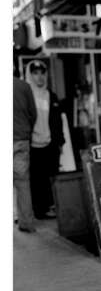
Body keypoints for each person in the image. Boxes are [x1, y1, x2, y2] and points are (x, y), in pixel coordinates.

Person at [25, 60, 64, 219]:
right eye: (35, 73)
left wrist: (60, 141)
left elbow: (58, 121)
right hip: (32, 145)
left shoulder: (51, 95)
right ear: (30, 75)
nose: (39, 77)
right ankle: (39, 210)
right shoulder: (26, 97)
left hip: (51, 144)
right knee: (36, 180)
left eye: (42, 73)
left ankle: (51, 206)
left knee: (51, 176)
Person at [13, 71, 37, 232]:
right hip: (21, 139)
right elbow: (33, 114)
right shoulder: (24, 86)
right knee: (22, 183)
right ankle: (26, 223)